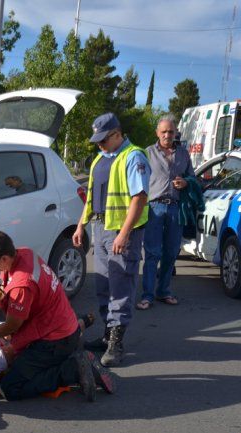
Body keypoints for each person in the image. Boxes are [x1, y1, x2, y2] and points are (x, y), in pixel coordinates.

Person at [0, 231, 115, 401]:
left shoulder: (22, 285)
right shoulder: (23, 253)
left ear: (4, 258)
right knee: (18, 359)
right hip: (61, 326)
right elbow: (2, 293)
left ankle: (71, 370)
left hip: (54, 340)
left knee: (9, 388)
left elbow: (12, 326)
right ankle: (70, 354)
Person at [72, 112, 150, 367]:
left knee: (120, 286)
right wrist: (80, 225)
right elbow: (92, 197)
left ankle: (116, 343)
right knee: (103, 285)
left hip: (120, 231)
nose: (100, 145)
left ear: (117, 134)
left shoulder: (133, 156)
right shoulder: (100, 159)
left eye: (104, 140)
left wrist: (125, 233)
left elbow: (139, 198)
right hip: (100, 227)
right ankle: (107, 336)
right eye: (97, 141)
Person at [137, 115, 196, 311]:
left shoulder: (183, 154)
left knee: (171, 253)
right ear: (157, 133)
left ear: (175, 133)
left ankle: (164, 291)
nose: (167, 135)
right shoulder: (147, 153)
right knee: (152, 253)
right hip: (154, 208)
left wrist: (186, 182)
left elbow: (194, 179)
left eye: (170, 132)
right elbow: (138, 180)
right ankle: (147, 295)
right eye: (163, 132)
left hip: (175, 208)